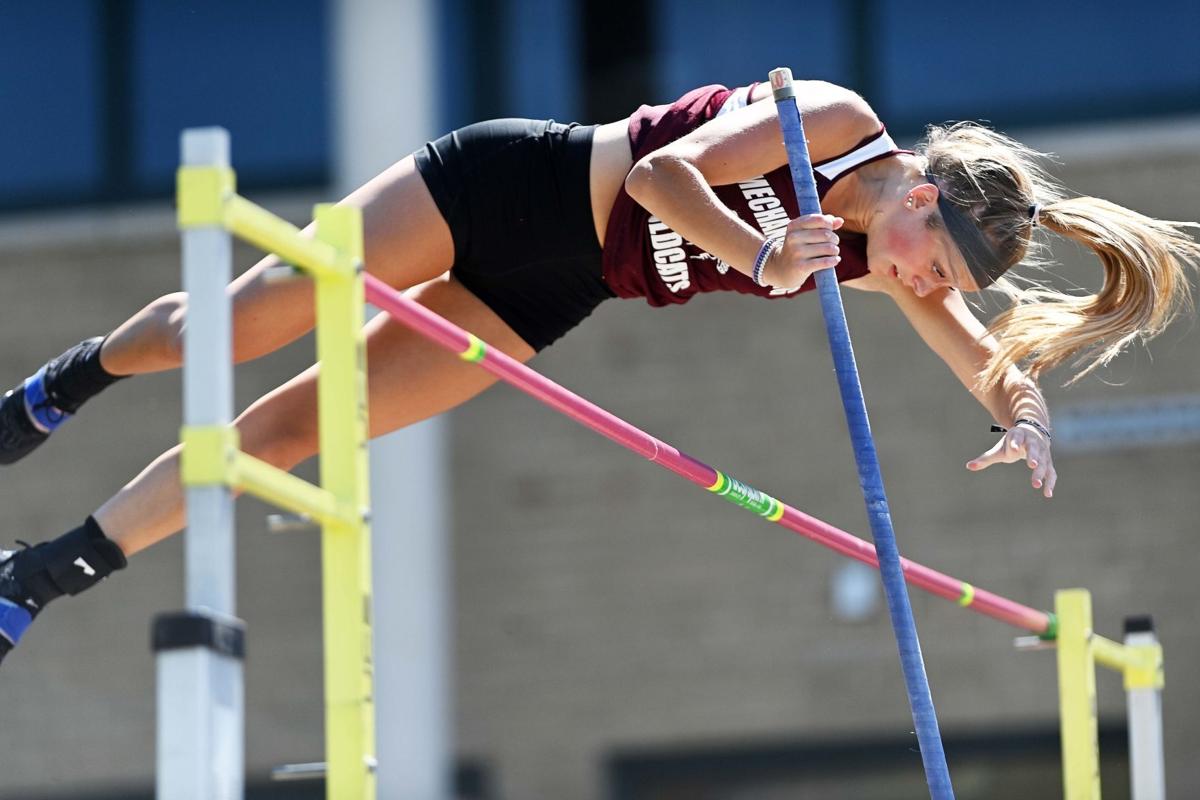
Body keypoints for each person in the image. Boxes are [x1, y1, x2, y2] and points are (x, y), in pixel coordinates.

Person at [1, 80, 1197, 664]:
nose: (924, 288)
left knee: (285, 435)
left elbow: (977, 356)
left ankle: (42, 573)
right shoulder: (834, 125)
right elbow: (658, 181)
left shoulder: (890, 260)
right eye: (928, 263)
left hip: (551, 290)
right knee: (242, 325)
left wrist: (1026, 411)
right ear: (923, 197)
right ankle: (66, 382)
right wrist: (762, 245)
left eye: (937, 285)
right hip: (505, 190)